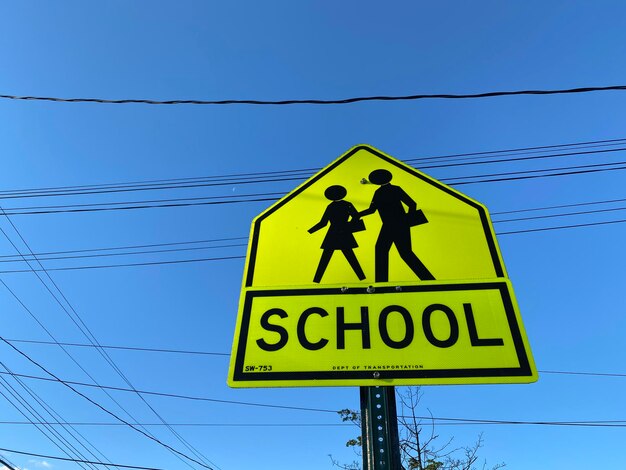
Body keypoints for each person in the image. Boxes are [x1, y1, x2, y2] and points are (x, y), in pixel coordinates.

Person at [359, 169, 434, 282]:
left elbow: (412, 204)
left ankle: (428, 279)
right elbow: (372, 209)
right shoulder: (379, 192)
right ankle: (381, 282)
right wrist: (358, 215)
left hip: (399, 224)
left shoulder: (394, 189)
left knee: (404, 253)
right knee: (382, 250)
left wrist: (408, 220)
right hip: (389, 226)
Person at [308, 185, 366, 283]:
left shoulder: (331, 206)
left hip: (333, 233)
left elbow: (323, 223)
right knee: (350, 256)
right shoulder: (347, 204)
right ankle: (362, 278)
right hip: (344, 232)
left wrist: (310, 231)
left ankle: (316, 280)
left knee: (326, 258)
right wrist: (348, 225)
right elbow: (356, 216)